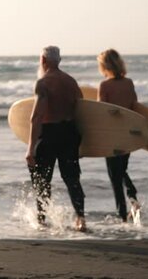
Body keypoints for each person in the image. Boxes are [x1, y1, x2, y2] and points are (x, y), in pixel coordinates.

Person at [26, 46, 86, 231]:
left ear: (43, 60)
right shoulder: (71, 81)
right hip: (70, 133)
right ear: (59, 61)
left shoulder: (43, 83)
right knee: (72, 178)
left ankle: (42, 220)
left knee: (42, 179)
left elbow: (36, 117)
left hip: (49, 134)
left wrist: (30, 148)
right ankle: (81, 218)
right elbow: (82, 110)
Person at [96, 48, 141, 223]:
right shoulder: (128, 83)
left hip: (111, 135)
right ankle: (133, 199)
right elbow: (134, 106)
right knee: (121, 170)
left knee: (115, 176)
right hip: (127, 133)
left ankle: (122, 217)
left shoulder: (105, 85)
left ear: (104, 65)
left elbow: (100, 112)